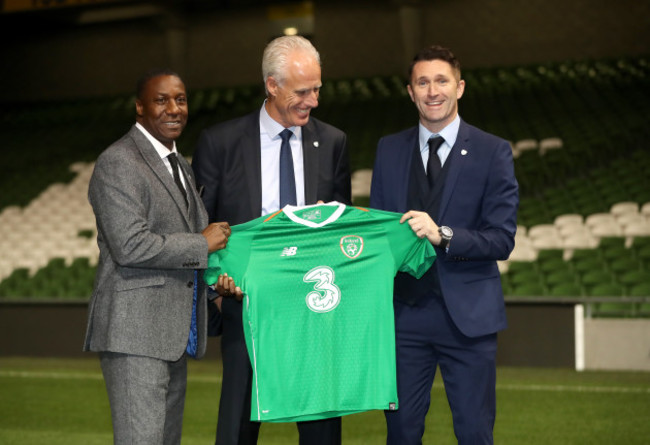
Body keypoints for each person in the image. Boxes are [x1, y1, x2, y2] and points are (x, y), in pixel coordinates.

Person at [192, 35, 351, 445]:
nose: (313, 100)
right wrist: (216, 283)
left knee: (321, 431)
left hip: (313, 307)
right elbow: (202, 227)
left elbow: (342, 228)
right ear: (272, 85)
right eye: (302, 91)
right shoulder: (220, 143)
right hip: (247, 308)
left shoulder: (333, 142)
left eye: (317, 88)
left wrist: (325, 227)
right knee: (237, 428)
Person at [370, 45, 519, 444]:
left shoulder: (493, 151)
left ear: (460, 87)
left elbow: (502, 238)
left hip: (469, 321)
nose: (432, 91)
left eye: (441, 80)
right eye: (422, 82)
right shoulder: (389, 149)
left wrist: (444, 234)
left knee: (474, 432)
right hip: (403, 318)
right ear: (410, 91)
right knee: (400, 433)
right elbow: (381, 232)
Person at [83, 68, 233, 445]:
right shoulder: (118, 161)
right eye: (161, 100)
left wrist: (218, 285)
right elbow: (130, 245)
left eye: (180, 99)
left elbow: (195, 247)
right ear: (139, 107)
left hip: (173, 334)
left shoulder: (180, 165)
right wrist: (202, 245)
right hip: (136, 335)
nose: (173, 108)